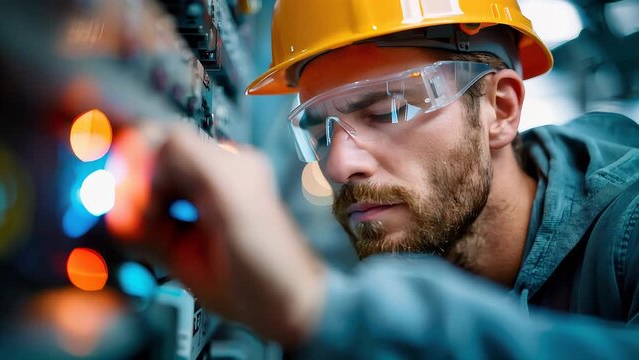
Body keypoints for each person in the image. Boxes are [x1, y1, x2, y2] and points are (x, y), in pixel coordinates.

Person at [131, 0, 639, 358]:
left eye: (388, 110)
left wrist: (319, 308)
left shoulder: (628, 234)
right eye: (321, 131)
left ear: (499, 110)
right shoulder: (381, 245)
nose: (337, 166)